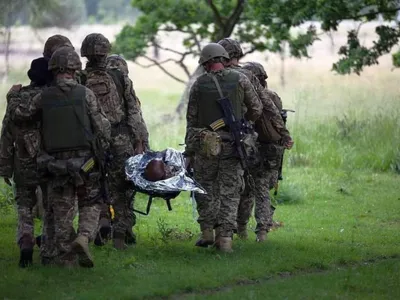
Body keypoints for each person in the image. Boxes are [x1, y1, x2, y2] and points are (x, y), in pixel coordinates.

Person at [14, 46, 109, 268]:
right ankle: (84, 236)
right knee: (91, 202)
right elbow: (103, 127)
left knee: (61, 213)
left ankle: (67, 261)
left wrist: (13, 96)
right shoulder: (86, 94)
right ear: (75, 69)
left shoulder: (42, 97)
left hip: (56, 165)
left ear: (53, 69)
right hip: (86, 163)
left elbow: (21, 116)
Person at [184, 43, 263, 252]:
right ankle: (225, 239)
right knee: (230, 193)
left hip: (205, 147)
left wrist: (189, 152)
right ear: (223, 59)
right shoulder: (241, 79)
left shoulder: (199, 85)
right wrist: (243, 122)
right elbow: (256, 108)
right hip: (233, 144)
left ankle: (207, 231)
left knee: (205, 188)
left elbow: (191, 120)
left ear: (206, 63)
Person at [218, 38, 293, 242]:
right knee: (257, 189)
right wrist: (284, 134)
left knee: (235, 188)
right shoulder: (251, 80)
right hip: (257, 144)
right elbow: (267, 108)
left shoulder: (221, 77)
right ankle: (260, 232)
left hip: (232, 141)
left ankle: (231, 231)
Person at [80, 33, 146, 250]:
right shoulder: (120, 77)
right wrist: (139, 140)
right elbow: (133, 111)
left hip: (90, 143)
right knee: (123, 188)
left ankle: (100, 226)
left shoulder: (78, 79)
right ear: (106, 52)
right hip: (120, 140)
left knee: (93, 186)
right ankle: (120, 236)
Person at [0, 57, 53, 267]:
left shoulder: (17, 98)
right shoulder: (53, 98)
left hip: (22, 162)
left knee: (24, 205)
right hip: (49, 161)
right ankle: (48, 247)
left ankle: (26, 242)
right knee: (50, 206)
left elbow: (6, 135)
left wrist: (4, 168)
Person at [242, 61, 292, 238]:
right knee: (262, 190)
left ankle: (242, 229)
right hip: (272, 150)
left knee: (247, 189)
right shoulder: (273, 96)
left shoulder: (247, 97)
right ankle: (262, 230)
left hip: (252, 148)